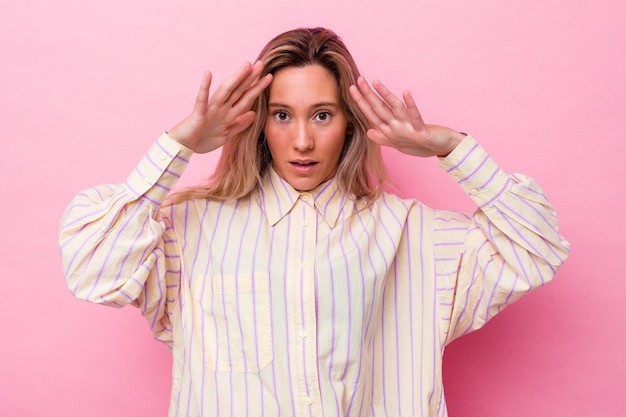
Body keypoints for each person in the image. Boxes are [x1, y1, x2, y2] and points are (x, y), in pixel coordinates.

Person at [59, 27, 570, 417]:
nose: (302, 140)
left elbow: (537, 248)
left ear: (351, 123)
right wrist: (179, 145)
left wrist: (453, 148)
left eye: (322, 114)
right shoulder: (187, 229)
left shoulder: (413, 234)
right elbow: (92, 271)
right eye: (282, 115)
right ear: (259, 124)